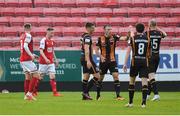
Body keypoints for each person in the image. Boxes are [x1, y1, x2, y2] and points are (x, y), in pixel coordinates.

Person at [123, 23, 151, 108]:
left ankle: (131, 103)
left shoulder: (133, 38)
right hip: (144, 61)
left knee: (132, 81)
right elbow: (149, 52)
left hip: (135, 61)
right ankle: (143, 103)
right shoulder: (147, 39)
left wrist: (125, 63)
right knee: (144, 82)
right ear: (143, 29)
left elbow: (128, 51)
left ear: (136, 30)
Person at [80, 22, 101, 100]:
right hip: (87, 58)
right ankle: (85, 92)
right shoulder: (88, 37)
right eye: (92, 28)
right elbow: (86, 49)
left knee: (86, 76)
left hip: (83, 58)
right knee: (97, 76)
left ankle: (85, 97)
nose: (94, 29)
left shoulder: (83, 36)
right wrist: (88, 60)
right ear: (88, 28)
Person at [20, 23, 40, 101]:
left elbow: (23, 48)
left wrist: (33, 54)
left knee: (27, 76)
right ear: (30, 28)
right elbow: (25, 46)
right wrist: (31, 56)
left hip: (22, 59)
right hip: (27, 59)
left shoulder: (22, 36)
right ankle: (29, 93)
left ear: (24, 28)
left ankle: (26, 95)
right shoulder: (28, 35)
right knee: (36, 75)